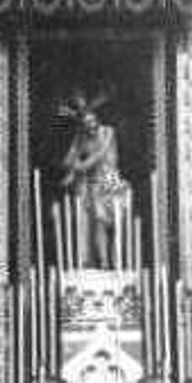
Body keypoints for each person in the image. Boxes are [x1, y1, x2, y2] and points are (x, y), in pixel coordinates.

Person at [60, 93, 129, 270]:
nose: (91, 125)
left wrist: (79, 167)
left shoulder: (108, 132)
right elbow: (67, 161)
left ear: (97, 120)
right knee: (99, 222)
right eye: (86, 124)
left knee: (117, 224)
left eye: (93, 121)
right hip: (97, 183)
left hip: (112, 180)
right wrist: (77, 140)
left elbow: (98, 156)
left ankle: (118, 260)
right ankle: (105, 261)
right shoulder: (83, 139)